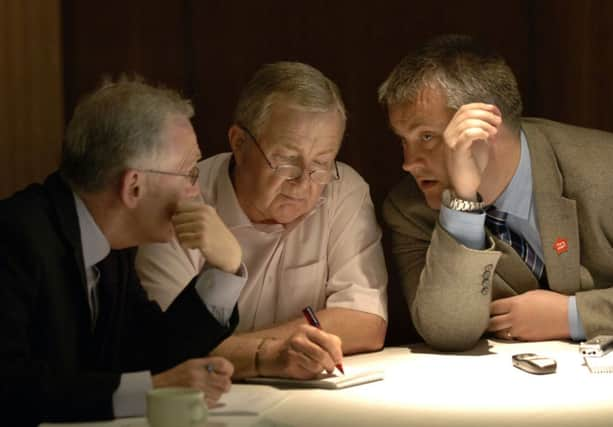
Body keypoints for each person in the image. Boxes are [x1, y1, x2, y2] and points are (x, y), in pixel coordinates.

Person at [0, 78, 246, 426]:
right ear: (133, 186)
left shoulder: (112, 246)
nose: (196, 191)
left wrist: (224, 269)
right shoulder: (15, 236)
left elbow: (149, 352)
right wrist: (151, 388)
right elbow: (9, 386)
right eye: (189, 173)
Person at [136, 61, 388, 378]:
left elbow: (365, 322)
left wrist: (229, 349)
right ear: (239, 143)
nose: (303, 181)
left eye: (321, 163)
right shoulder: (184, 194)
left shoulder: (342, 189)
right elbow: (166, 345)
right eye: (285, 161)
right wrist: (265, 356)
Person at [379, 34, 613, 352]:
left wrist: (573, 316)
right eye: (403, 140)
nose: (408, 163)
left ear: (484, 127)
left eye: (427, 136)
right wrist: (462, 203)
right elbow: (447, 331)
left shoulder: (603, 170)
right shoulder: (408, 208)